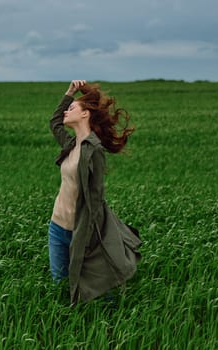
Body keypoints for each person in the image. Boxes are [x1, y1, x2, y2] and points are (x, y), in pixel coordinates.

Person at [48, 80, 142, 304]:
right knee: (60, 287)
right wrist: (70, 94)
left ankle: (109, 325)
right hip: (57, 228)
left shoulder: (95, 151)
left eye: (72, 108)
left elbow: (95, 199)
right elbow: (54, 123)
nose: (66, 112)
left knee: (95, 289)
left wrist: (87, 237)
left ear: (85, 114)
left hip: (79, 230)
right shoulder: (71, 144)